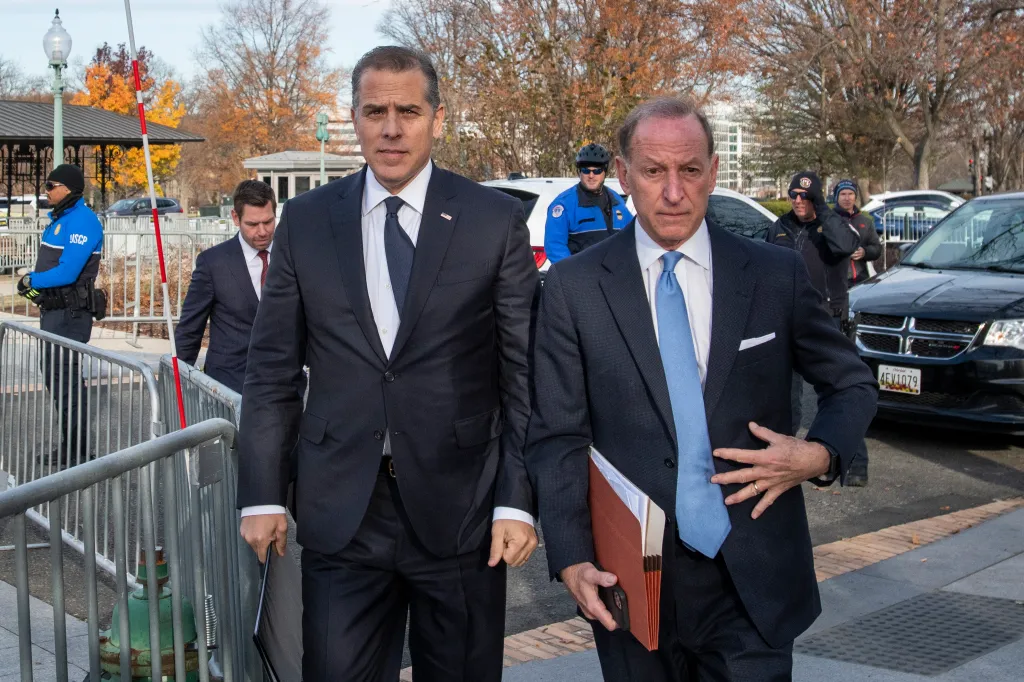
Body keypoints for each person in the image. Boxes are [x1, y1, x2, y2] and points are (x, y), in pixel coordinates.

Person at [526, 97, 877, 682]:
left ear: (713, 172)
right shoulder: (573, 288)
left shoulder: (773, 274)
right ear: (623, 175)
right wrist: (570, 558)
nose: (672, 191)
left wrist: (817, 455)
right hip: (632, 582)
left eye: (689, 170)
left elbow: (851, 382)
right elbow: (557, 434)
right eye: (653, 171)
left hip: (755, 577)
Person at [236, 46, 539, 682]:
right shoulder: (308, 221)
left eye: (408, 110)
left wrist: (516, 501)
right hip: (341, 512)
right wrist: (262, 491)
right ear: (354, 117)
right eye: (375, 111)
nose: (391, 128)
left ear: (437, 117)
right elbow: (271, 370)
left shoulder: (493, 220)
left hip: (463, 511)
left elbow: (523, 375)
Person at [18, 164, 104, 467]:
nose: (46, 189)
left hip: (71, 314)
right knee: (57, 380)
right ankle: (72, 445)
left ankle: (77, 451)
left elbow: (68, 271)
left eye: (49, 185)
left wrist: (31, 280)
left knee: (65, 381)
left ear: (66, 188)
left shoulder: (82, 220)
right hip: (55, 312)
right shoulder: (63, 219)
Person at [770, 171, 861, 442]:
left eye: (805, 196)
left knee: (833, 386)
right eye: (794, 195)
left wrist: (822, 209)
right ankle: (786, 443)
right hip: (786, 319)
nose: (798, 201)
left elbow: (846, 245)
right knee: (785, 389)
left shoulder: (833, 224)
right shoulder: (781, 226)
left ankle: (832, 445)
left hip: (825, 318)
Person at [175, 180, 283, 394]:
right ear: (236, 218)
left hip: (283, 386)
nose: (262, 231)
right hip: (229, 387)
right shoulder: (213, 263)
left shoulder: (291, 256)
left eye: (268, 222)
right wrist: (176, 383)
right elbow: (190, 330)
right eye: (252, 224)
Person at [544, 143, 632, 264]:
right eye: (586, 170)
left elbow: (631, 237)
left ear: (604, 172)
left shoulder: (616, 200)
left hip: (614, 277)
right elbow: (555, 246)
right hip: (581, 277)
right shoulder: (563, 204)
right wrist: (573, 275)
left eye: (597, 171)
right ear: (579, 172)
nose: (591, 175)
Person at [834, 179, 881, 286]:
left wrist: (864, 252)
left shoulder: (866, 222)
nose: (847, 198)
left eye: (850, 194)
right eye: (843, 194)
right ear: (837, 197)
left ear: (855, 196)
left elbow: (877, 249)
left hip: (862, 282)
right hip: (834, 283)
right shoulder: (827, 220)